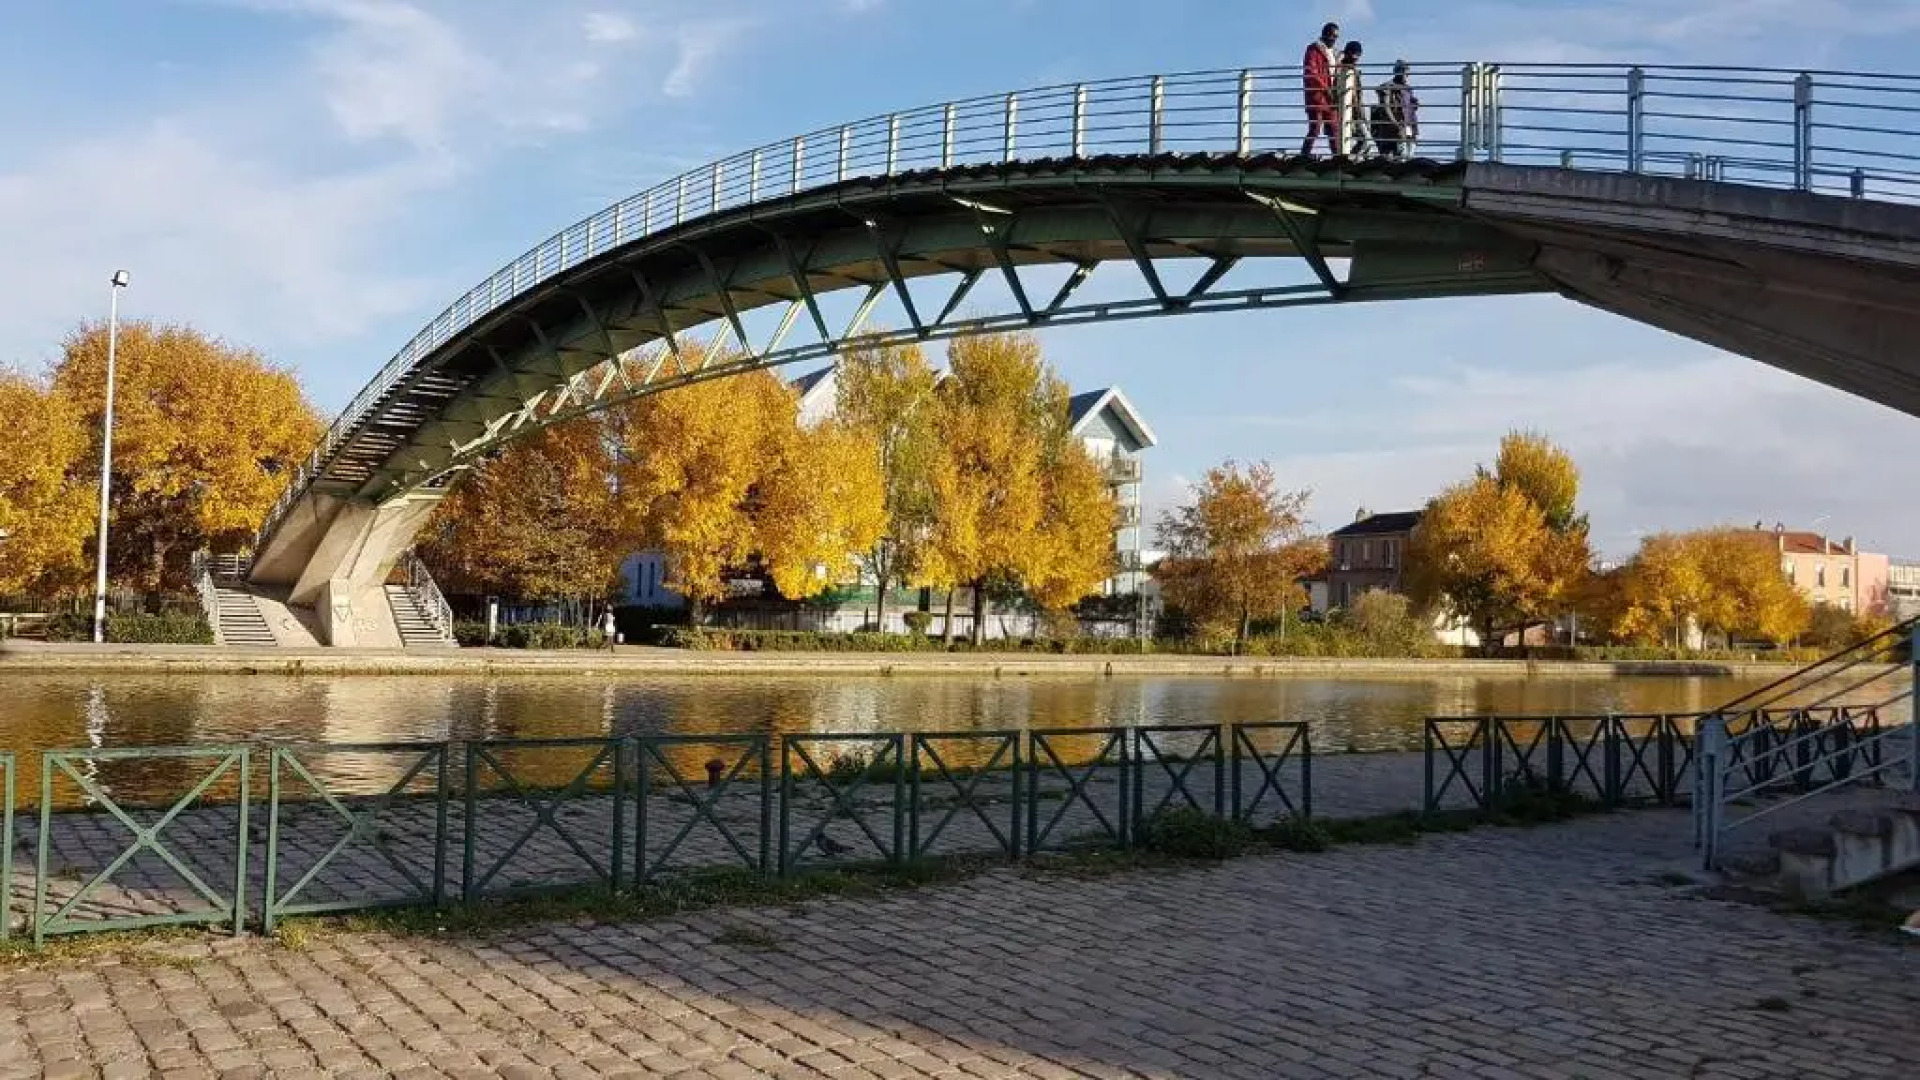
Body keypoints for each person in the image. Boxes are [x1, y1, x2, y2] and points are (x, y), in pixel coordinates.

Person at [1300, 21, 1340, 157]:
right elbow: (1311, 72)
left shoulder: (1334, 53)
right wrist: (1326, 89)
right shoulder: (1313, 49)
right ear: (1325, 35)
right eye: (1333, 36)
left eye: (1336, 37)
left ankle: (1337, 157)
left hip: (1331, 96)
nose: (1335, 39)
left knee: (1334, 129)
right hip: (1317, 95)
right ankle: (1304, 155)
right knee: (1315, 128)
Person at [1373, 60, 1421, 159]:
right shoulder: (1388, 87)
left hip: (1409, 129)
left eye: (1408, 73)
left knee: (1409, 157)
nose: (1406, 76)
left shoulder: (1408, 89)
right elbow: (1386, 108)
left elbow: (1409, 108)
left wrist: (1414, 104)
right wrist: (1396, 125)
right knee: (1400, 158)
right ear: (1398, 72)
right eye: (1404, 72)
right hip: (1395, 130)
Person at [1335, 41, 1373, 158]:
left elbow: (1358, 93)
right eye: (1354, 54)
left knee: (1366, 141)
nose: (1356, 57)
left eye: (1358, 55)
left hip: (1355, 110)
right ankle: (1350, 160)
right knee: (1365, 141)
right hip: (1348, 111)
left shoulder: (1353, 70)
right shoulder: (1342, 69)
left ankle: (1351, 159)